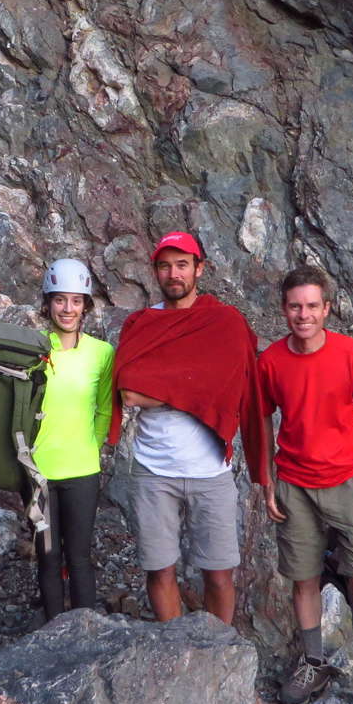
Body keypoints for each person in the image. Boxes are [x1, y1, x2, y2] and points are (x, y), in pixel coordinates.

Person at [254, 266, 353, 704]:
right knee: (304, 578)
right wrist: (266, 479)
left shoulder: (350, 353)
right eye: (295, 306)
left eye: (312, 306)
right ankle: (314, 662)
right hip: (294, 485)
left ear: (327, 309)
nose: (304, 315)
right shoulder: (271, 361)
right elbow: (262, 419)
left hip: (348, 483)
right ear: (284, 310)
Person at [110, 231, 263, 625]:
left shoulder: (225, 323)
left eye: (182, 265)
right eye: (165, 266)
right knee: (159, 570)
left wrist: (164, 390)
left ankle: (219, 647)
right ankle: (173, 648)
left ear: (200, 269)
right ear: (155, 271)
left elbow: (232, 389)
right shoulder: (142, 324)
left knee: (219, 573)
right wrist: (197, 390)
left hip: (210, 471)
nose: (173, 274)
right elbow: (129, 392)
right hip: (153, 469)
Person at [33, 258, 114, 621]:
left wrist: (89, 447)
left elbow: (105, 409)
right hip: (38, 471)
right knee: (48, 556)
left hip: (82, 470)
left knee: (79, 556)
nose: (68, 309)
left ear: (86, 305)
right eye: (60, 300)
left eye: (76, 301)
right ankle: (53, 632)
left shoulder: (102, 353)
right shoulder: (34, 349)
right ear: (48, 303)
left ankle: (85, 632)